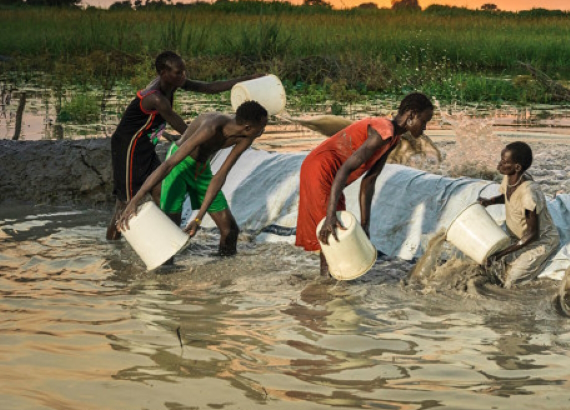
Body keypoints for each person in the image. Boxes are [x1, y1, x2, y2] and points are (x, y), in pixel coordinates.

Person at [107, 51, 262, 240]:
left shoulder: (174, 83)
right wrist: (208, 140)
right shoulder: (156, 99)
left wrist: (247, 80)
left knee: (159, 192)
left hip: (147, 144)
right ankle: (113, 251)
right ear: (163, 73)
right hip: (128, 147)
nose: (184, 76)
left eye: (184, 72)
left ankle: (165, 242)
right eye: (178, 73)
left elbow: (210, 88)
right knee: (124, 203)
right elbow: (185, 131)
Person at [296, 92, 435, 276]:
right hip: (320, 169)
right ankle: (326, 285)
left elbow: (369, 181)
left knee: (336, 228)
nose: (424, 128)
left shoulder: (393, 139)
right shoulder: (383, 132)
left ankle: (328, 280)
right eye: (424, 121)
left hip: (328, 173)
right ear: (411, 115)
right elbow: (344, 170)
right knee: (332, 228)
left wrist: (365, 225)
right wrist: (330, 215)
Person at [118, 101, 269, 256]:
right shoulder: (211, 127)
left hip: (202, 170)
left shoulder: (245, 137)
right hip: (179, 167)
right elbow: (168, 164)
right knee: (171, 230)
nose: (262, 131)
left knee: (230, 230)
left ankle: (223, 275)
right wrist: (135, 200)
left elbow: (221, 175)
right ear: (248, 127)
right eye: (262, 127)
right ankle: (166, 275)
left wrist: (198, 219)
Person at [477, 141, 560, 287]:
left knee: (511, 282)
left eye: (504, 162)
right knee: (488, 267)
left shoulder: (529, 193)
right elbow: (509, 198)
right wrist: (489, 202)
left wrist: (501, 254)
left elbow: (532, 234)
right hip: (517, 237)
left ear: (517, 167)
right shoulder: (510, 177)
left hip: (539, 241)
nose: (499, 164)